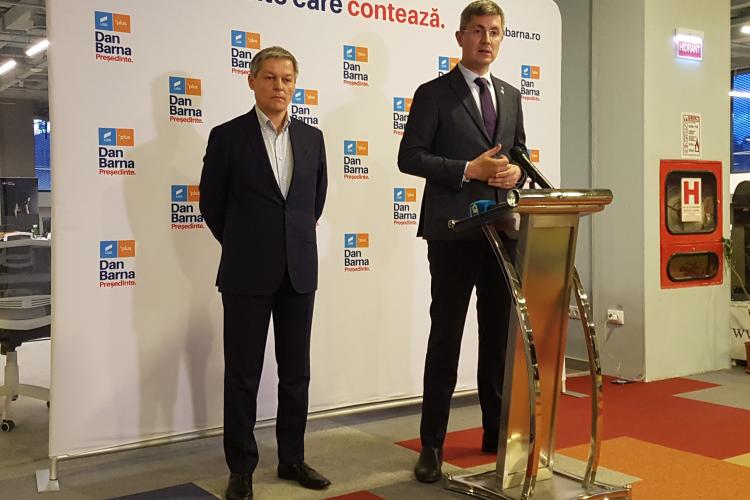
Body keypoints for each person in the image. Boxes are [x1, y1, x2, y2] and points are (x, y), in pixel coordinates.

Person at [397, 0, 528, 483]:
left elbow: (518, 153)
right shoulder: (433, 93)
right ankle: (431, 444)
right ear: (460, 37)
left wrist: (515, 174)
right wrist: (468, 169)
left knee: (498, 340)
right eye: (477, 30)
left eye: (494, 31)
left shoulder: (510, 95)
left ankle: (496, 433)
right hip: (452, 234)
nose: (486, 39)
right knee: (446, 339)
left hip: (502, 230)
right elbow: (409, 156)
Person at [199, 46, 330, 500]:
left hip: (299, 272)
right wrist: (246, 243)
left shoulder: (312, 138)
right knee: (242, 376)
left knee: (296, 374)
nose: (279, 87)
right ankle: (241, 469)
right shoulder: (226, 136)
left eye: (287, 79)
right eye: (270, 77)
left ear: (295, 84)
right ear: (252, 81)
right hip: (245, 272)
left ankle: (292, 459)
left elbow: (313, 202)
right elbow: (211, 204)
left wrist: (289, 241)